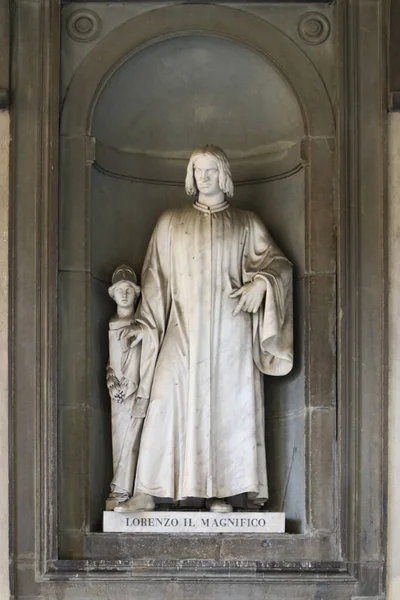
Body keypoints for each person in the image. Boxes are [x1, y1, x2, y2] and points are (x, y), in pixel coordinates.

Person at [115, 145, 293, 514]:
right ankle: (148, 489)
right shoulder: (170, 222)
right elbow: (155, 281)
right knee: (165, 401)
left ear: (224, 174)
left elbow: (279, 265)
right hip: (181, 328)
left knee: (228, 408)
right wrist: (145, 326)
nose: (204, 176)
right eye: (197, 169)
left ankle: (223, 491)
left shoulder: (246, 223)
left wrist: (261, 284)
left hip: (231, 333)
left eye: (211, 169)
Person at [105, 265, 148, 509]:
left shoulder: (142, 325)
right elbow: (112, 359)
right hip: (117, 394)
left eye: (129, 290)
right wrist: (111, 377)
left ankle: (128, 489)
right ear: (112, 294)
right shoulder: (112, 322)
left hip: (135, 392)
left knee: (135, 437)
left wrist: (130, 383)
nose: (124, 294)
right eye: (120, 290)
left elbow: (142, 357)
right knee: (119, 436)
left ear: (137, 293)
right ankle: (119, 489)